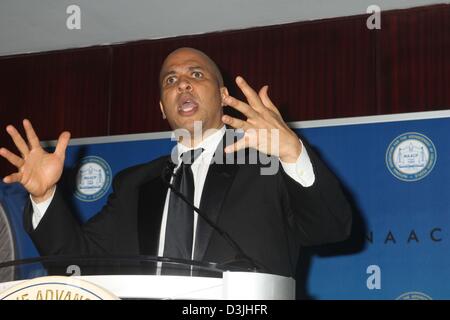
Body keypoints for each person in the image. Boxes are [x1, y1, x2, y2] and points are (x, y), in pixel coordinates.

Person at [0, 47, 352, 278]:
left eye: (196, 75)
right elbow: (76, 263)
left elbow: (331, 227)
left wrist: (291, 152)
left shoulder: (267, 164)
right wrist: (44, 197)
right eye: (171, 81)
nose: (182, 83)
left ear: (223, 96)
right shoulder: (135, 184)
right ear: (162, 108)